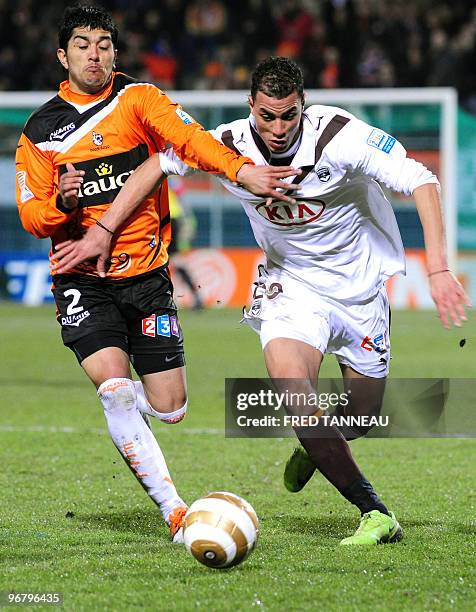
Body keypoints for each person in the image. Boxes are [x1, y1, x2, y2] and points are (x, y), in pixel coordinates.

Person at [52, 57, 470, 545]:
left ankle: (319, 446)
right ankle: (374, 512)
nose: (277, 127)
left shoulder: (340, 136)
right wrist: (103, 230)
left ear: (303, 106)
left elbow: (421, 178)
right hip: (290, 287)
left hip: (360, 291)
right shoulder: (227, 145)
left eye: (288, 115)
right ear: (251, 106)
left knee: (359, 416)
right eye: (266, 115)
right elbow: (158, 163)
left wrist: (439, 268)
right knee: (293, 390)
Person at [15, 6, 299, 544]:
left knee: (171, 409)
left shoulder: (139, 100)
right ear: (62, 54)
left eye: (103, 43)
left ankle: (131, 415)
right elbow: (32, 216)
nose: (94, 54)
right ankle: (174, 510)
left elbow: (189, 142)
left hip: (146, 276)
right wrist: (60, 202)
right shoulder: (40, 131)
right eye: (82, 44)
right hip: (81, 275)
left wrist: (241, 170)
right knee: (116, 391)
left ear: (115, 52)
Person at [167, 181, 204, 310]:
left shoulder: (165, 176)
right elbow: (182, 197)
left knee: (169, 260)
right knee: (176, 261)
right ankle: (196, 296)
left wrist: (188, 219)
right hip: (172, 218)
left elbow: (181, 197)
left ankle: (196, 296)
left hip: (167, 219)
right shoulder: (170, 177)